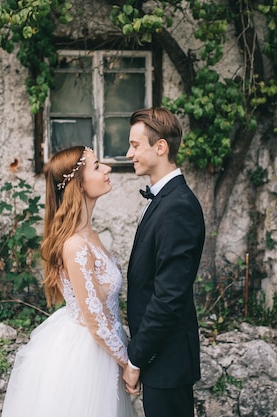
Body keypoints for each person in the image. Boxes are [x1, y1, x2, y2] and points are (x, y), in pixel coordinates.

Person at [1, 146, 135, 417]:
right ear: (79, 184)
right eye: (97, 166)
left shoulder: (89, 235)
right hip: (88, 356)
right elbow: (94, 320)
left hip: (104, 348)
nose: (107, 169)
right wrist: (128, 362)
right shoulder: (75, 245)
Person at [122, 108, 205, 417]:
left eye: (135, 145)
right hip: (162, 358)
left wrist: (136, 360)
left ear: (160, 147)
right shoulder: (166, 200)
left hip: (166, 360)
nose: (129, 153)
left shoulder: (177, 206)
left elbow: (168, 296)